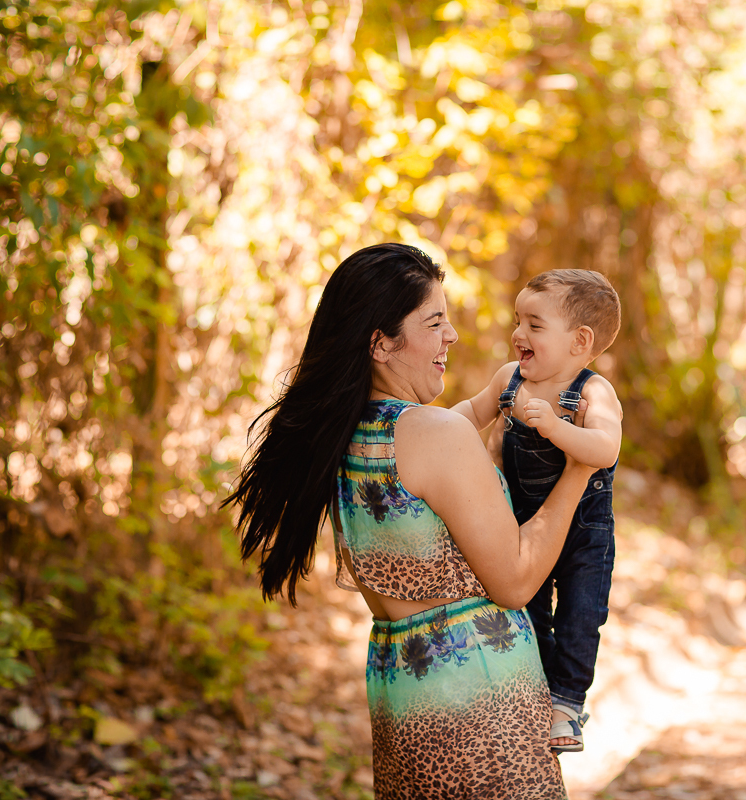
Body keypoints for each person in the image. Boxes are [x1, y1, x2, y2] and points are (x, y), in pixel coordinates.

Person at [224, 243, 595, 800]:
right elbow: (515, 581)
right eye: (434, 322)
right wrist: (579, 472)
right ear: (381, 342)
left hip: (403, 693)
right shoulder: (434, 435)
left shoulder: (343, 434)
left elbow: (438, 473)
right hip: (481, 702)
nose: (452, 337)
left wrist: (493, 420)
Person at [452, 269, 623, 753]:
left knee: (580, 613)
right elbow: (470, 415)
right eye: (517, 320)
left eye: (534, 324)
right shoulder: (509, 380)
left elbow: (604, 448)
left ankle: (566, 704)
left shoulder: (592, 392)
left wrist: (555, 427)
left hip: (584, 532)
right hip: (522, 521)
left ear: (579, 341)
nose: (518, 334)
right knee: (527, 611)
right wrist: (428, 426)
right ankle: (533, 691)